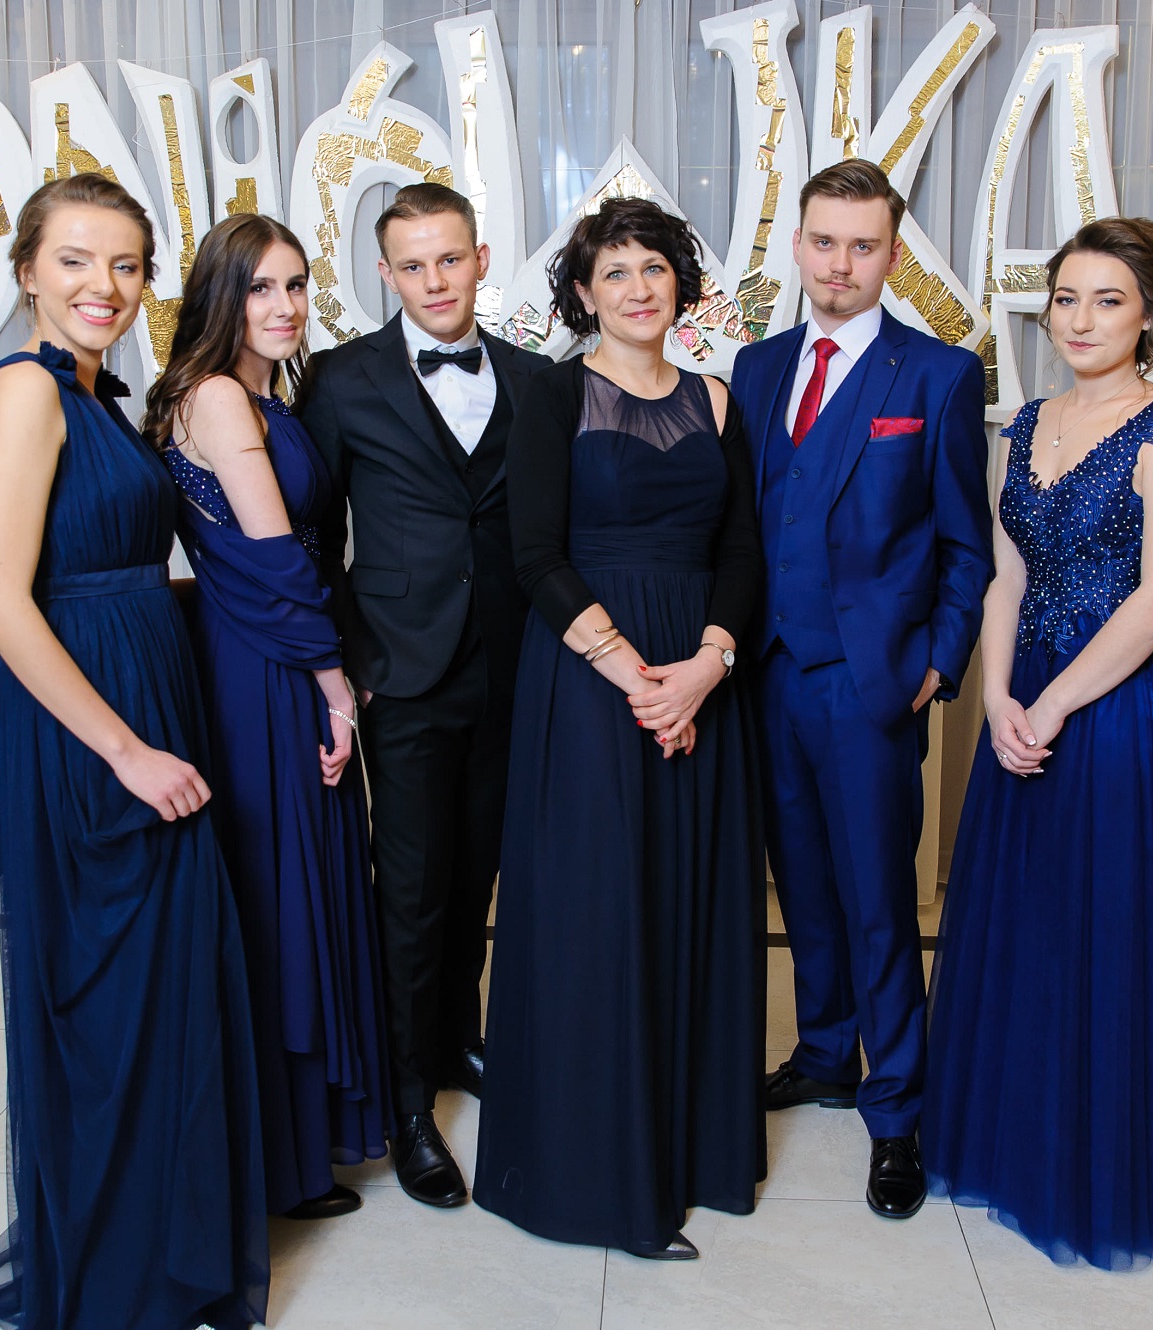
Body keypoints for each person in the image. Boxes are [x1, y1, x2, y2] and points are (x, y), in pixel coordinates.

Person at [0, 173, 267, 1329]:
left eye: (127, 264)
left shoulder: (94, 393)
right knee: (106, 999)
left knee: (157, 988)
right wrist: (127, 749)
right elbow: (0, 601)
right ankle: (111, 1273)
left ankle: (156, 1249)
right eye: (77, 259)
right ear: (27, 270)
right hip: (90, 731)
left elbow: (129, 566)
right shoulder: (23, 392)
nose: (105, 285)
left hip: (145, 698)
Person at [920, 217, 1153, 1269]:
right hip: (1022, 703)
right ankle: (1015, 1136)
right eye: (1066, 298)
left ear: (1149, 315)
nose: (1081, 320)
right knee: (1025, 922)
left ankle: (1096, 1159)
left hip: (1112, 710)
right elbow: (1005, 577)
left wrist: (1054, 704)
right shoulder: (1024, 423)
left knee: (1104, 929)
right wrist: (998, 696)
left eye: (1108, 300)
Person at [473, 197, 767, 1261]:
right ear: (582, 295)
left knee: (691, 907)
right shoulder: (553, 395)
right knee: (598, 915)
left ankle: (692, 1152)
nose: (638, 289)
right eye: (615, 273)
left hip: (698, 676)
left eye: (654, 268)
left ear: (679, 283)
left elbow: (742, 550)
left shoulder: (717, 399)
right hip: (591, 678)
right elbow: (534, 554)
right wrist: (635, 680)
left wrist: (706, 666)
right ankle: (598, 1179)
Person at [728, 159, 991, 1220]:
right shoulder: (755, 368)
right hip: (766, 675)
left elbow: (966, 544)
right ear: (798, 246)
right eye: (825, 242)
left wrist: (938, 661)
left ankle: (897, 1110)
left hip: (870, 682)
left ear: (892, 254)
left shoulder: (937, 377)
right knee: (801, 886)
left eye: (863, 245)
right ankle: (827, 1052)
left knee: (879, 901)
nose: (840, 265)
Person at [300, 183, 550, 1207]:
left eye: (450, 259)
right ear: (384, 274)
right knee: (409, 890)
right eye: (412, 265)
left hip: (515, 665)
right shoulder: (338, 378)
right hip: (401, 672)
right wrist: (351, 661)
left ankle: (456, 1040)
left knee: (479, 872)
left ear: (481, 258)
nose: (435, 280)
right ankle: (406, 1106)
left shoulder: (537, 378)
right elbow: (315, 534)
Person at [144, 214, 390, 1223]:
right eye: (260, 288)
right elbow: (280, 559)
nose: (285, 306)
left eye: (295, 285)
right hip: (268, 664)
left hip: (259, 650)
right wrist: (336, 687)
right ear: (221, 296)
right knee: (284, 887)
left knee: (288, 882)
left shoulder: (250, 393)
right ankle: (280, 1161)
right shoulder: (216, 396)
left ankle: (289, 1145)